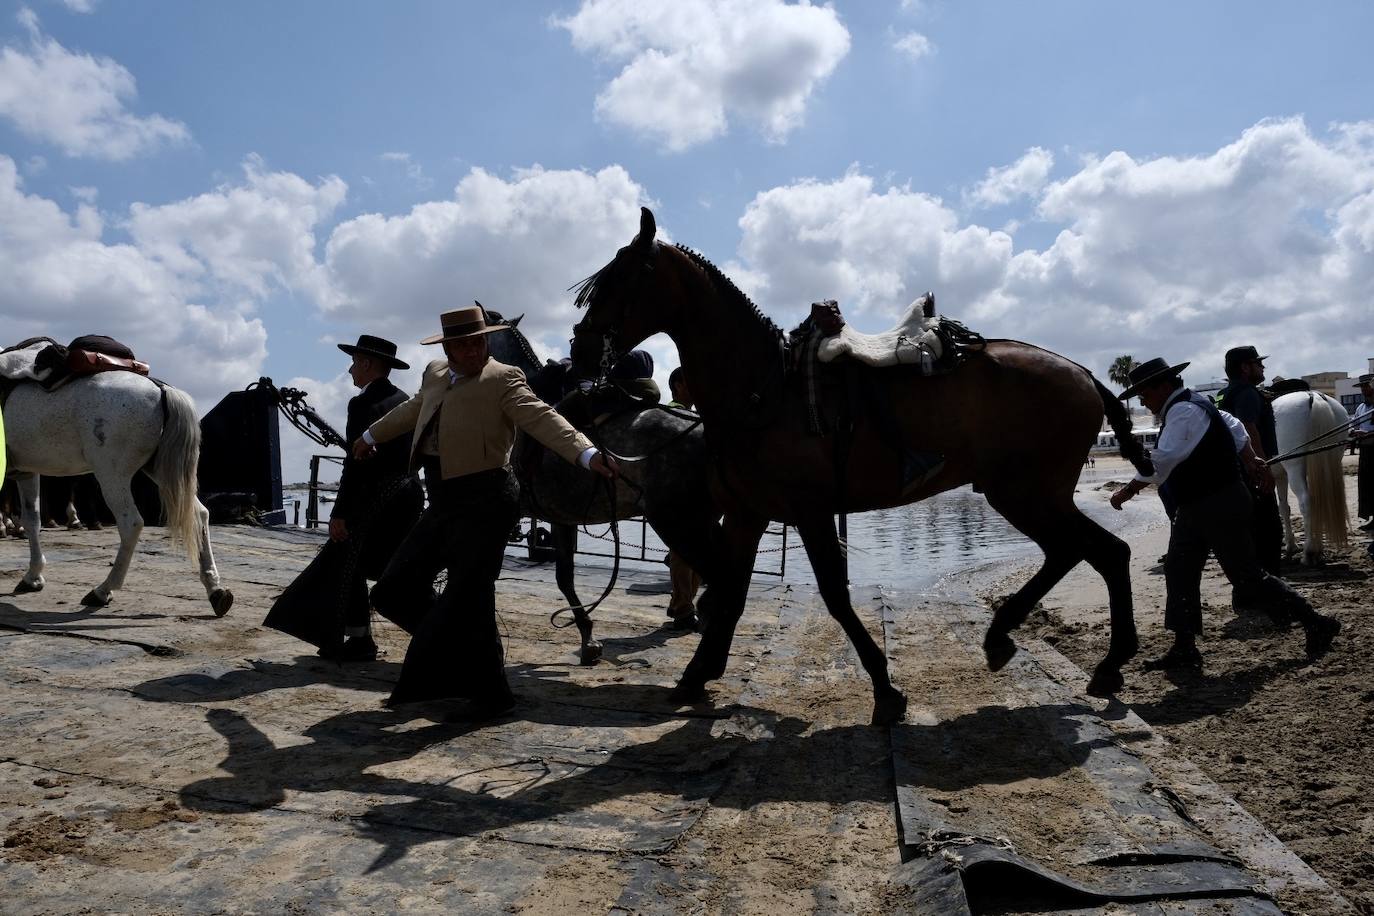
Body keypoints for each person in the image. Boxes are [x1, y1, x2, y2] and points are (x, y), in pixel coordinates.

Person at [356, 304, 617, 718]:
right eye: (464, 344)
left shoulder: (504, 378)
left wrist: (584, 453)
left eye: (479, 341)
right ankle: (460, 665)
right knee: (393, 589)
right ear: (449, 347)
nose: (475, 350)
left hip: (489, 499)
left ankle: (490, 696)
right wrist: (372, 433)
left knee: (470, 595)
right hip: (442, 497)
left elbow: (543, 418)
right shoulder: (435, 373)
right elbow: (416, 408)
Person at [1109, 357, 1340, 669]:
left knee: (1247, 577)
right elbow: (1233, 426)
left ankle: (1316, 622)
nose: (1142, 400)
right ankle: (1184, 648)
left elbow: (1161, 462)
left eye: (1144, 392)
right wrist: (1250, 458)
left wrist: (1128, 490)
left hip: (1217, 503)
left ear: (1163, 386)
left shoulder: (1183, 411)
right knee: (1180, 570)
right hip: (1198, 505)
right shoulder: (1196, 404)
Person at [265, 335, 423, 661]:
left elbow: (356, 462)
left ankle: (360, 639)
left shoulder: (362, 404)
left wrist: (339, 513)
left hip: (376, 496)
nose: (351, 370)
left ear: (367, 363)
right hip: (408, 494)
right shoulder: (404, 400)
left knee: (346, 558)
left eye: (354, 363)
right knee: (400, 565)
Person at [1215, 346, 1282, 576]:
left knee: (1247, 534)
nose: (1263, 367)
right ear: (1245, 367)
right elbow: (1249, 429)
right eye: (1257, 363)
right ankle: (1269, 586)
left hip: (1233, 473)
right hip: (1252, 472)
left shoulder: (1225, 393)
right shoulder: (1247, 393)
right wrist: (1263, 468)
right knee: (1269, 532)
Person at [663, 367, 702, 628]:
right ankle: (683, 607)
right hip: (682, 493)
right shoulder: (675, 414)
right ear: (677, 385)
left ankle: (681, 603)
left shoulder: (689, 414)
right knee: (685, 552)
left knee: (691, 552)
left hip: (690, 493)